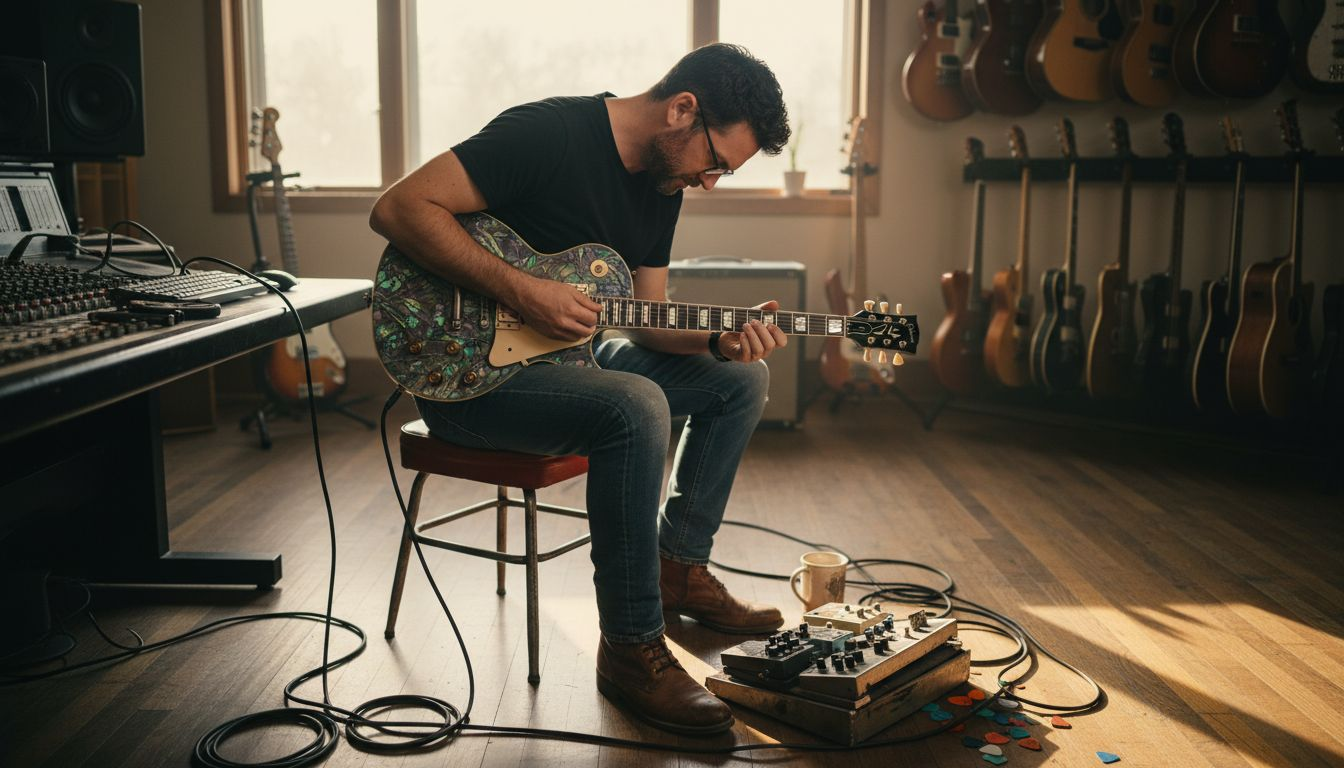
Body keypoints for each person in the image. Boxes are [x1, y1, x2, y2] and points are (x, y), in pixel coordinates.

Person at [369, 43, 791, 737]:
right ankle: (630, 648)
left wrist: (722, 335)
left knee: (742, 377)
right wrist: (521, 289)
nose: (711, 182)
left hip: (574, 367)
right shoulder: (548, 133)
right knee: (635, 404)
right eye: (715, 162)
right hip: (468, 381)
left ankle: (678, 569)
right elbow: (399, 208)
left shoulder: (663, 185)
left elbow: (650, 318)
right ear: (682, 110)